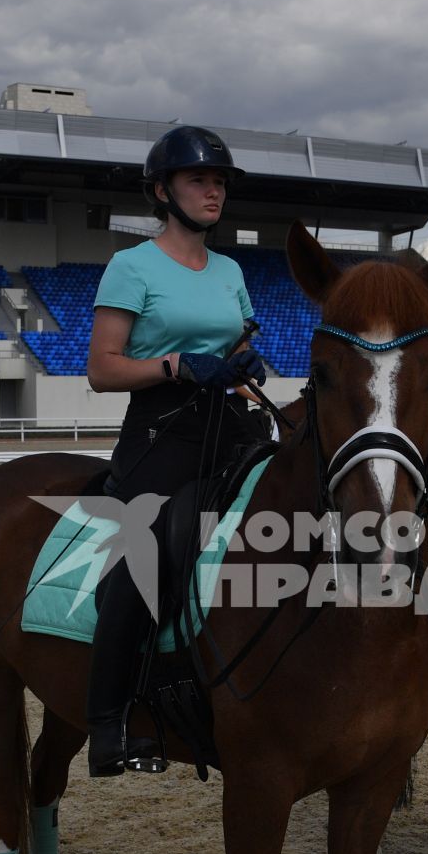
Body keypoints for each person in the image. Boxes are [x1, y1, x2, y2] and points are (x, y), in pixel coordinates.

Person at [82, 126, 266, 774]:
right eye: (199, 180)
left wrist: (245, 362)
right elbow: (101, 369)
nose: (213, 191)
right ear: (163, 192)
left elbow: (236, 341)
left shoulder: (232, 270)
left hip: (232, 422)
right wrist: (178, 368)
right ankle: (108, 721)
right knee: (151, 548)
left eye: (219, 182)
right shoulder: (133, 265)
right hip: (163, 431)